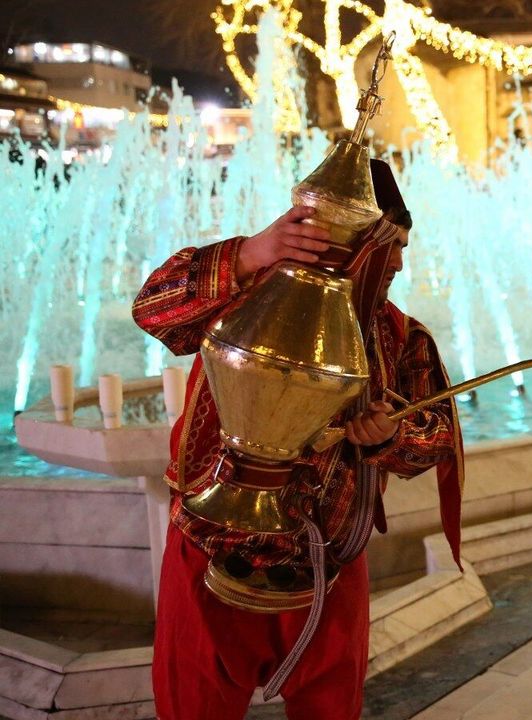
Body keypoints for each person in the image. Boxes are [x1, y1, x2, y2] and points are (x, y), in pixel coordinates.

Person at [132, 159, 463, 720]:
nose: (399, 264)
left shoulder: (398, 334)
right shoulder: (247, 294)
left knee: (330, 706)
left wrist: (390, 435)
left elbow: (436, 438)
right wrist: (248, 254)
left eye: (403, 247)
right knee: (193, 703)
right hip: (211, 538)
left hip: (329, 555)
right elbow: (153, 311)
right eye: (388, 246)